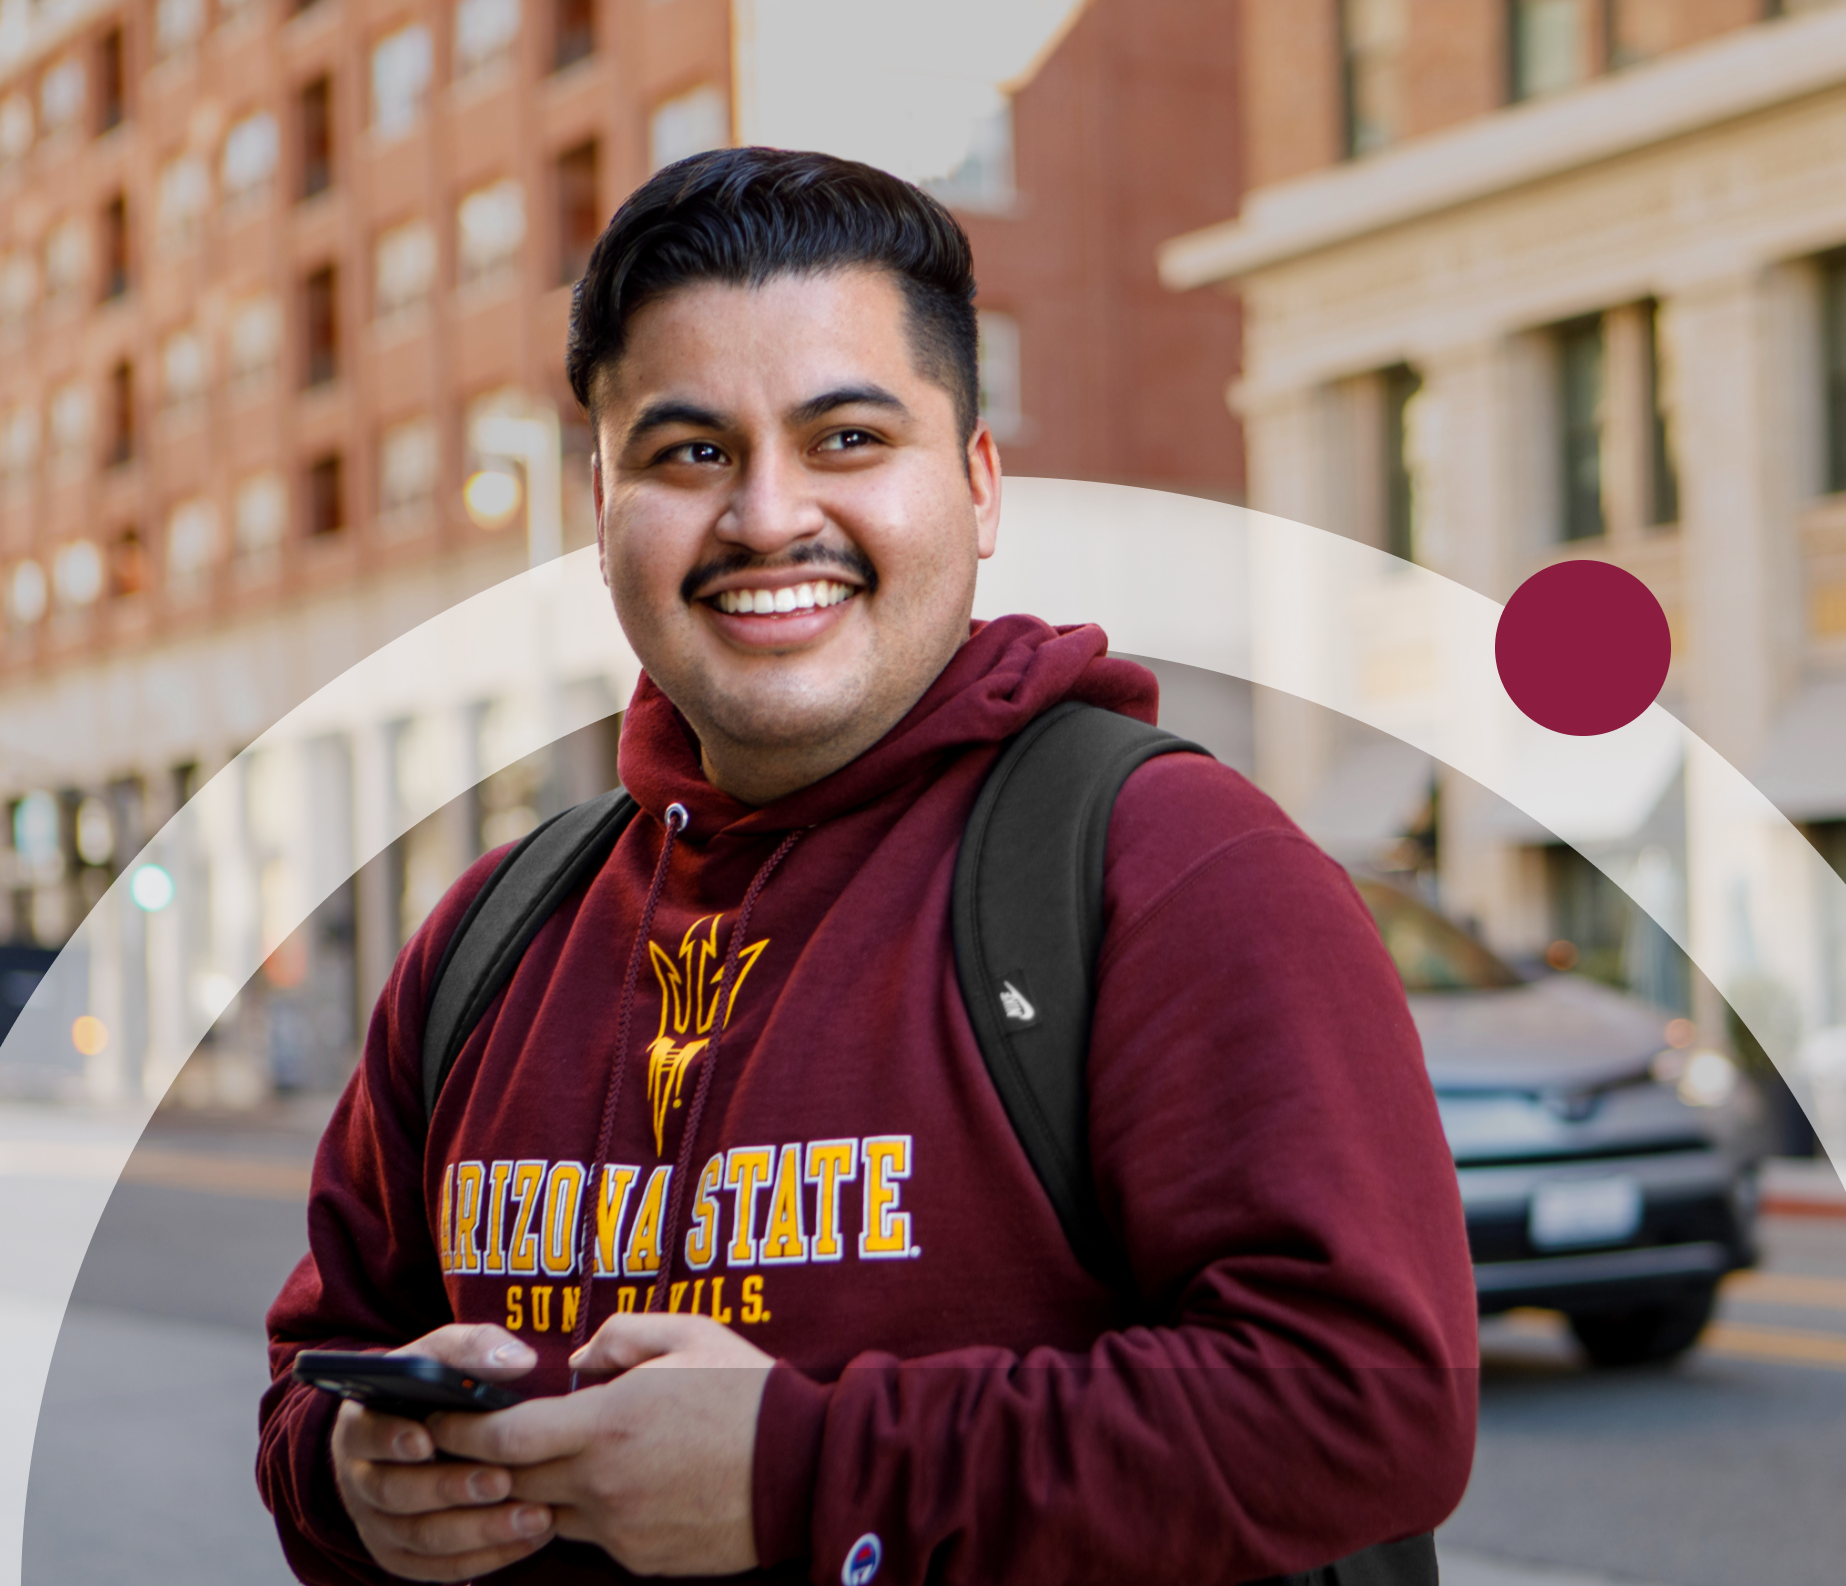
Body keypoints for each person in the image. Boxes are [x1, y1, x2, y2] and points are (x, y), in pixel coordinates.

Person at [254, 147, 1479, 1585]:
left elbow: (1364, 1409)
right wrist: (355, 1478)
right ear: (601, 508)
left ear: (975, 486)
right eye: (690, 451)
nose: (768, 516)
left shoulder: (1174, 869)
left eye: (846, 439)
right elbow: (312, 1375)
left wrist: (799, 1476)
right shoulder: (488, 936)